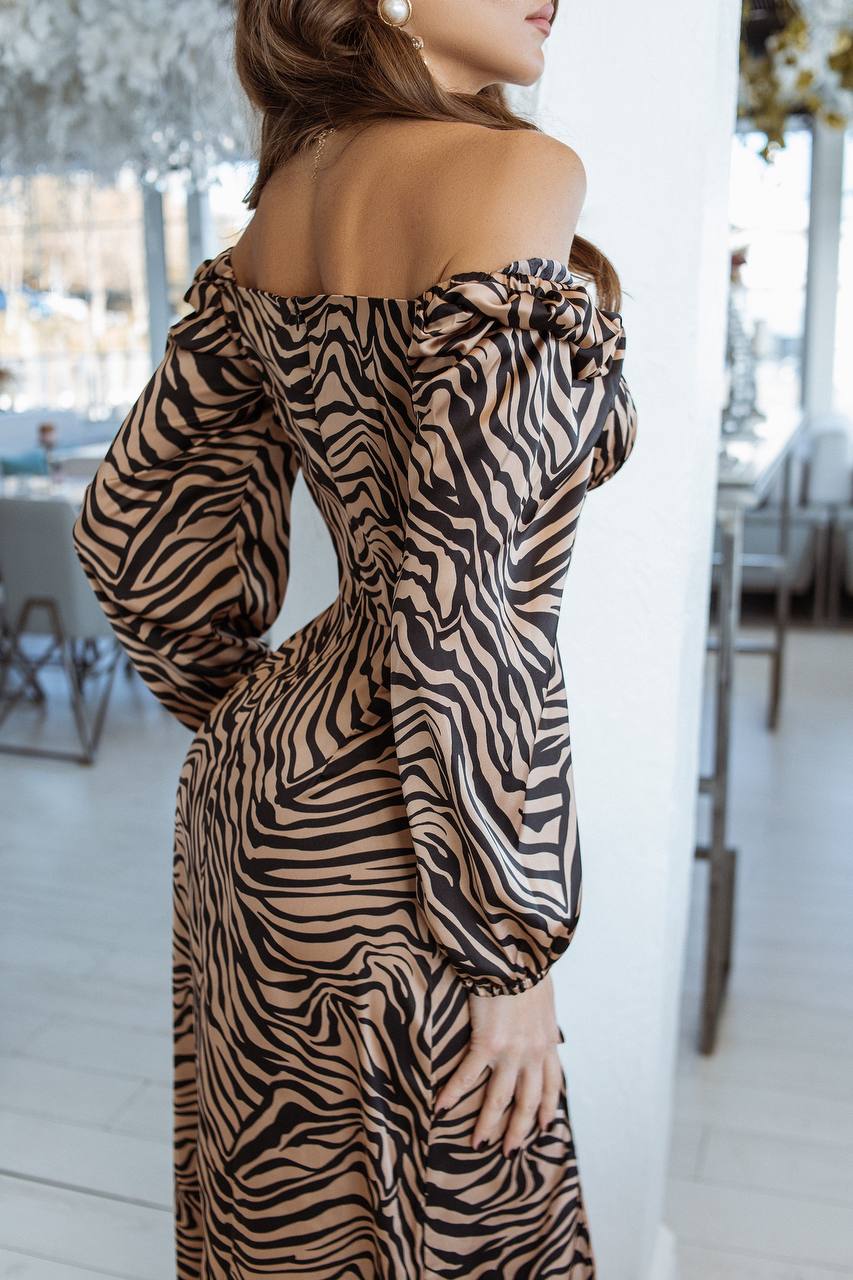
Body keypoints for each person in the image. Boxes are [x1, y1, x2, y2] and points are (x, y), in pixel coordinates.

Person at [72, 0, 638, 1273]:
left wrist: (260, 712)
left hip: (256, 793)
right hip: (402, 833)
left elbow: (130, 528)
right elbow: (463, 590)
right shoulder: (519, 170)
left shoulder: (288, 202)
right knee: (451, 1228)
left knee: (282, 1212)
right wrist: (510, 943)